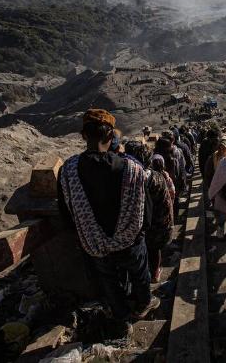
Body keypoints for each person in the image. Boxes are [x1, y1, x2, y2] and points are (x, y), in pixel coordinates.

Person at [57, 109, 160, 332]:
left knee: (109, 282)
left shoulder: (68, 171)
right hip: (130, 239)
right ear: (111, 136)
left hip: (95, 244)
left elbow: (67, 211)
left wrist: (83, 235)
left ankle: (121, 318)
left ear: (84, 136)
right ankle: (143, 304)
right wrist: (142, 232)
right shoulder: (131, 169)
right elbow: (146, 208)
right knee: (140, 274)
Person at [124, 143, 175, 284]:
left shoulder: (133, 179)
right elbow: (168, 199)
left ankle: (150, 275)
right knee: (153, 250)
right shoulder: (157, 176)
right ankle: (154, 273)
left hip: (147, 224)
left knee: (147, 250)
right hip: (158, 223)